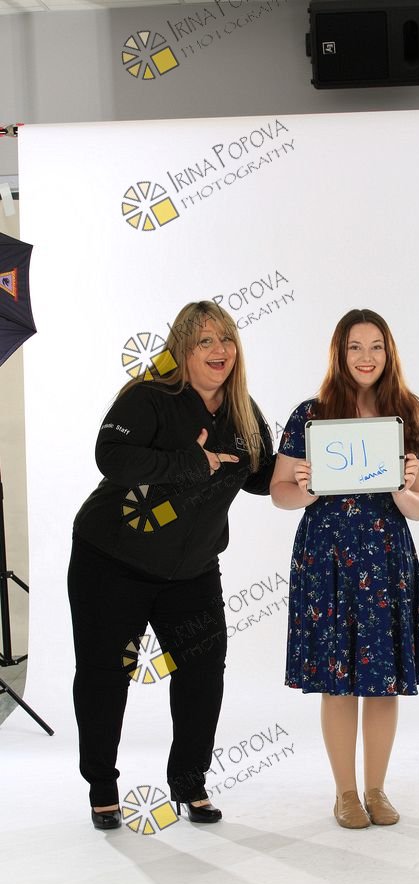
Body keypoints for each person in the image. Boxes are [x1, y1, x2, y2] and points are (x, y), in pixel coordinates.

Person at [68, 301, 274, 829]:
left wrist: (311, 471)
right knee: (106, 674)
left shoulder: (243, 411)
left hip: (192, 571)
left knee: (203, 674)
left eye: (226, 339)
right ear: (182, 349)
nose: (219, 350)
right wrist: (189, 463)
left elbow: (258, 475)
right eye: (205, 341)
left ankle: (188, 782)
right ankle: (102, 786)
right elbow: (111, 456)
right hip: (112, 560)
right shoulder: (149, 397)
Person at [270, 308, 419, 829]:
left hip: (385, 557)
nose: (366, 357)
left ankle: (376, 790)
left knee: (384, 680)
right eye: (355, 347)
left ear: (389, 353)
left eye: (376, 347)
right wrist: (306, 487)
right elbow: (279, 493)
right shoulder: (312, 414)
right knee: (337, 680)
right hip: (327, 558)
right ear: (339, 354)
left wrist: (402, 487)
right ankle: (345, 793)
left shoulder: (407, 413)